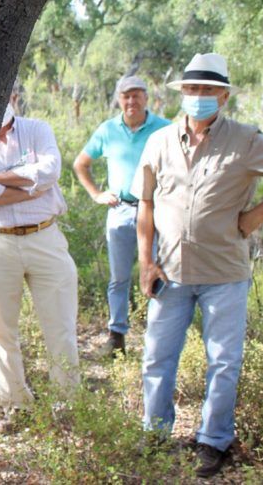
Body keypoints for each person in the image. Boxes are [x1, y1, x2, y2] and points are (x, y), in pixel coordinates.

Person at [133, 52, 263, 478]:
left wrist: (253, 217)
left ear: (223, 97)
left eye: (208, 90)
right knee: (157, 357)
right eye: (192, 89)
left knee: (224, 361)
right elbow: (146, 203)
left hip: (224, 274)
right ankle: (155, 435)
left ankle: (213, 441)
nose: (198, 97)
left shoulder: (248, 140)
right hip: (170, 274)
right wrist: (145, 262)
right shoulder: (159, 141)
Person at [0, 87, 79, 434]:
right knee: (1, 329)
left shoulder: (37, 129)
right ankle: (16, 406)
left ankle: (67, 407)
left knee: (60, 326)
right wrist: (29, 182)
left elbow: (49, 172)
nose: (0, 131)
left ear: (13, 99)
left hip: (45, 236)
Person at [73, 76, 170, 357]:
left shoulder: (164, 128)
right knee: (119, 278)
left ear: (146, 98)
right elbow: (81, 164)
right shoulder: (108, 130)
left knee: (158, 272)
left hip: (157, 211)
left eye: (137, 95)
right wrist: (96, 194)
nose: (131, 101)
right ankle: (117, 339)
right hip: (121, 210)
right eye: (126, 96)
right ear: (119, 99)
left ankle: (158, 338)